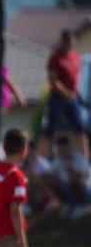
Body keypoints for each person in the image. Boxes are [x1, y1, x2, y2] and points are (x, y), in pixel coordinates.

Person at [38, 30, 88, 159]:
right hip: (58, 98)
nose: (68, 44)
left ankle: (84, 160)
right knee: (50, 130)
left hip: (73, 98)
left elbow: (75, 79)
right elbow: (53, 80)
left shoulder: (75, 57)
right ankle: (39, 159)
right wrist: (65, 92)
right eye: (65, 41)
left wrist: (76, 94)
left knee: (80, 129)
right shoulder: (56, 57)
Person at [47, 135, 91, 219]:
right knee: (49, 180)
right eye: (60, 148)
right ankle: (67, 204)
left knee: (72, 181)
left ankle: (81, 205)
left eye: (64, 147)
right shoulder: (58, 160)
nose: (62, 150)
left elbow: (78, 180)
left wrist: (68, 167)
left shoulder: (79, 158)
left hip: (87, 191)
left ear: (69, 147)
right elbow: (48, 176)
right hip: (69, 190)